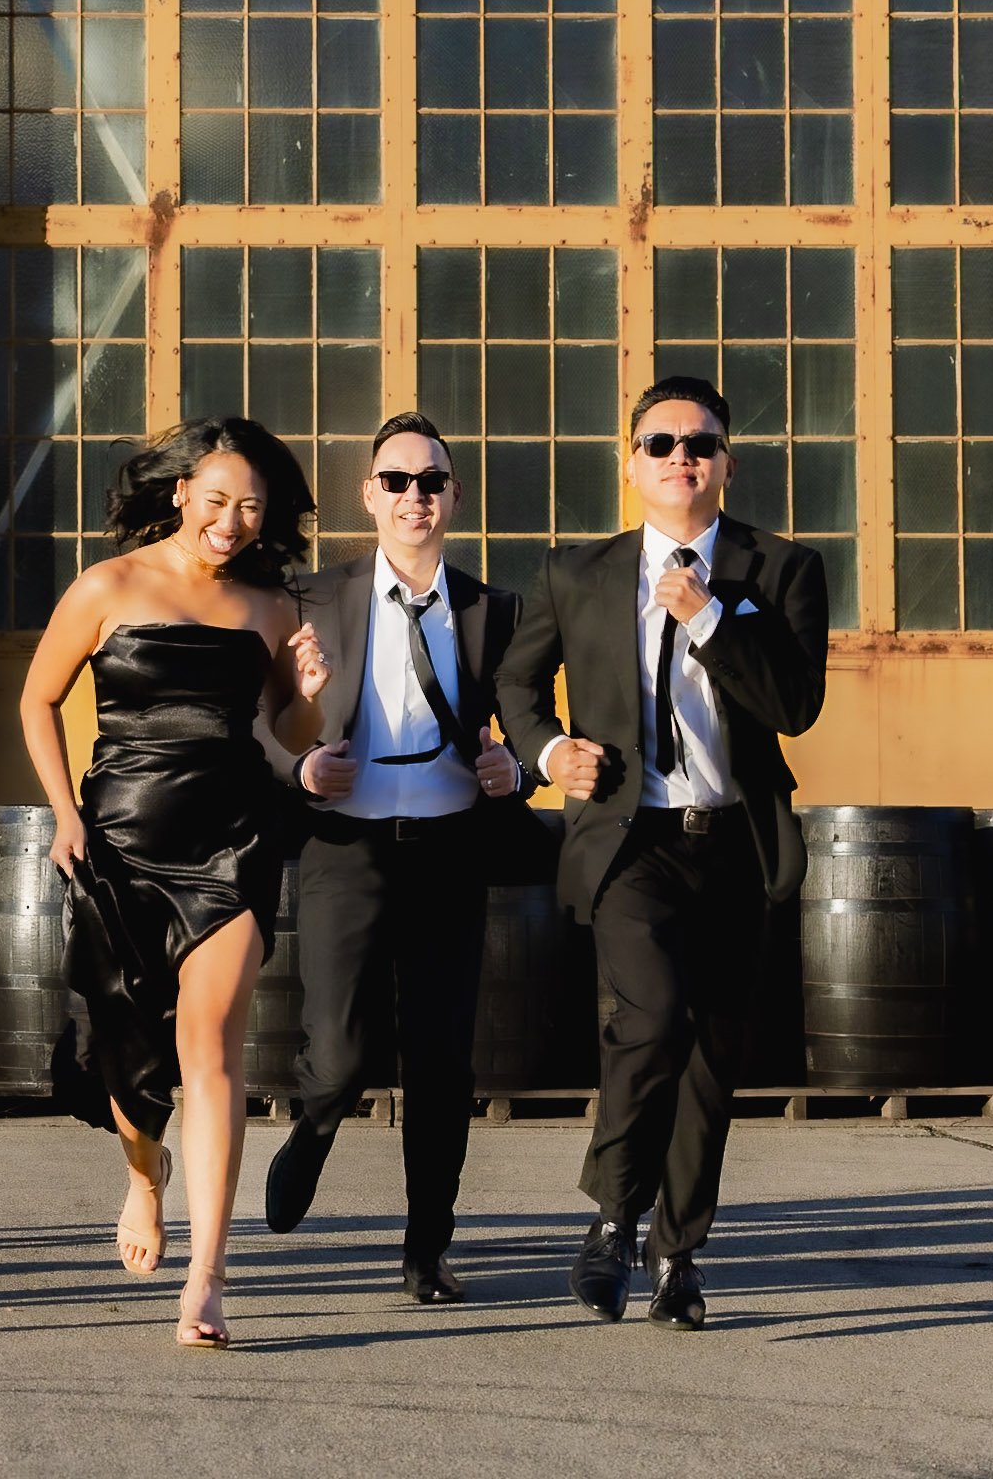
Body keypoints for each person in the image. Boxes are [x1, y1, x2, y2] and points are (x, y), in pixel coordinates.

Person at [497, 376, 829, 1330]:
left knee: (713, 1059)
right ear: (631, 463)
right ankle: (612, 1217)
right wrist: (551, 751)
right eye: (661, 443)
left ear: (727, 462)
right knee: (655, 1015)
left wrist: (710, 620)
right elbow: (520, 689)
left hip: (735, 842)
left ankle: (678, 1255)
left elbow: (795, 709)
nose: (680, 457)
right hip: (630, 839)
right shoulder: (580, 572)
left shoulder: (780, 569)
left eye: (700, 443)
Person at [19, 416, 330, 1348]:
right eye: (220, 500)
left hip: (231, 842)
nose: (233, 522)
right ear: (181, 491)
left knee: (213, 1051)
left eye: (253, 508)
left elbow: (296, 736)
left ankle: (208, 1279)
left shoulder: (272, 608)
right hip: (117, 838)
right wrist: (65, 816)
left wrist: (312, 685)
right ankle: (144, 1179)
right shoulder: (107, 586)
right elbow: (37, 697)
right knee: (127, 1049)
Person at [259, 412, 543, 1304]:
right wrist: (302, 764)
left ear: (454, 497)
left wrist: (518, 769)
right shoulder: (311, 599)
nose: (414, 496)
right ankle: (314, 1124)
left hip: (450, 853)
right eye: (397, 481)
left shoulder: (495, 610)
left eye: (431, 482)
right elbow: (258, 725)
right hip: (346, 848)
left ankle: (428, 1246)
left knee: (440, 1060)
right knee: (339, 1052)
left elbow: (526, 728)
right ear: (368, 495)